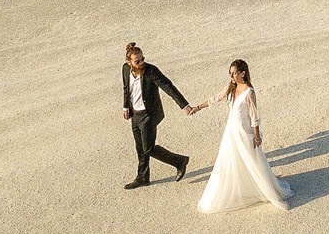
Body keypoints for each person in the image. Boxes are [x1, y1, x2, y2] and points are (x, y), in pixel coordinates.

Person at [197, 59, 293, 213]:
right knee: (228, 160)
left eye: (234, 73)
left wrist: (257, 136)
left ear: (243, 73)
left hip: (243, 132)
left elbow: (254, 117)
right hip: (231, 132)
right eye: (231, 73)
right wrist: (197, 107)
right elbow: (215, 99)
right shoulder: (231, 87)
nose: (232, 76)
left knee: (252, 161)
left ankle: (264, 188)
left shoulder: (250, 92)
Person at [121, 42, 196, 190]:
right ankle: (143, 177)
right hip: (135, 114)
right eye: (137, 61)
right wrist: (125, 107)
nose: (142, 63)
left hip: (149, 115)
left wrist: (184, 105)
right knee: (140, 147)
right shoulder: (125, 70)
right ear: (129, 62)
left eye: (143, 59)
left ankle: (179, 161)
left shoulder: (151, 71)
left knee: (148, 148)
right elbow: (126, 88)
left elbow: (168, 87)